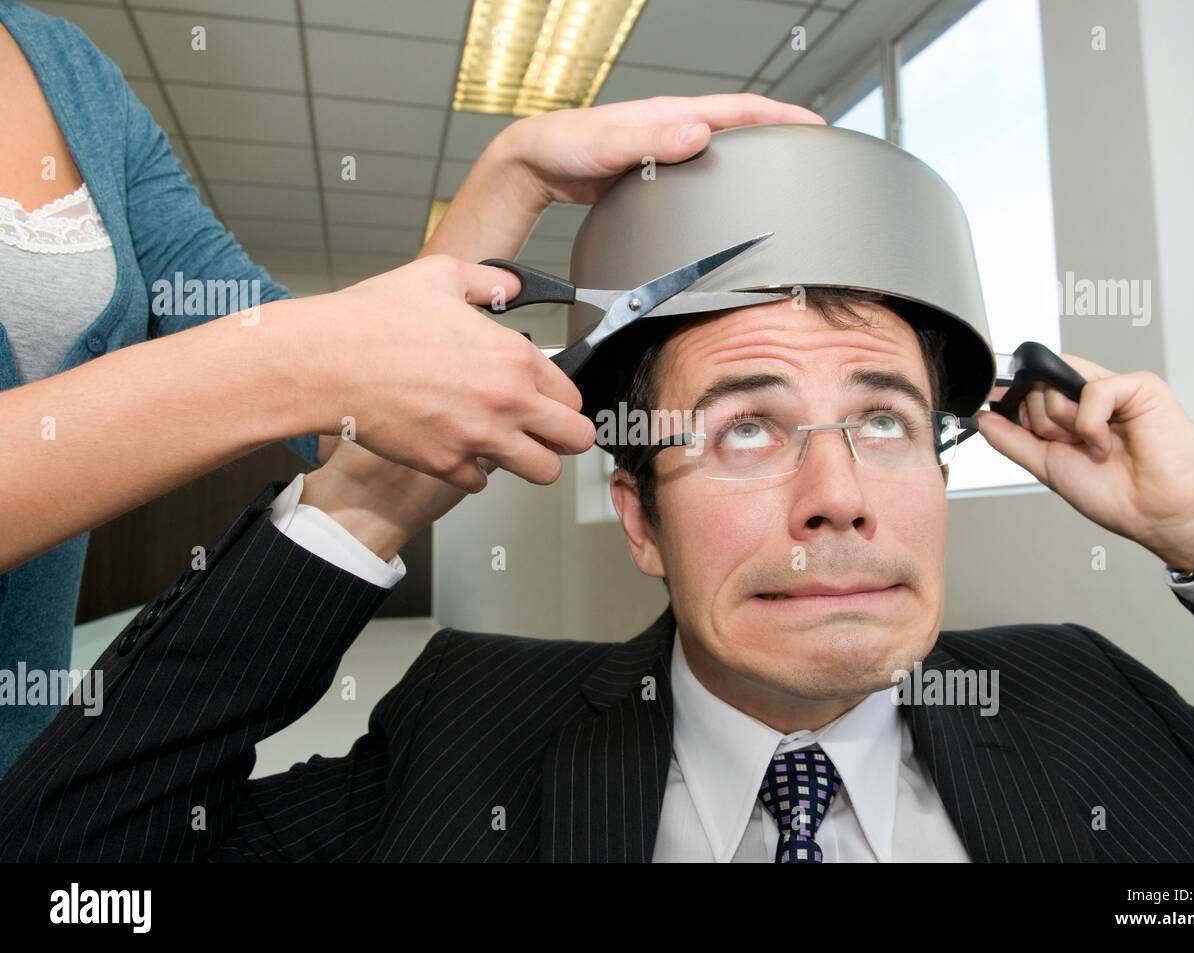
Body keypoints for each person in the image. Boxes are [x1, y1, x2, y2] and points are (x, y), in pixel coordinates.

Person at [2, 127, 1194, 863]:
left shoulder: (1092, 709)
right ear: (639, 517)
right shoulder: (467, 738)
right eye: (745, 431)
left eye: (886, 422)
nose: (837, 493)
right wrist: (368, 497)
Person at [0, 0, 824, 777]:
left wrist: (515, 174)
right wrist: (294, 367)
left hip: (22, 761)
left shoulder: (74, 74)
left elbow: (345, 417)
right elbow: (315, 370)